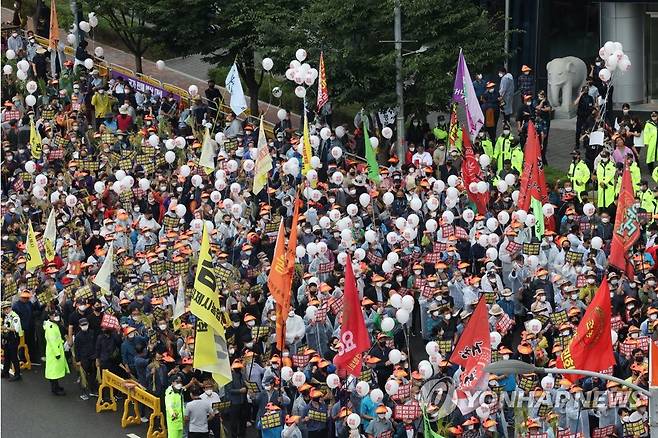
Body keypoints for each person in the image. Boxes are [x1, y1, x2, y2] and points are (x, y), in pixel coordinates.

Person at [44, 310, 69, 395]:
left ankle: (56, 386)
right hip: (54, 352)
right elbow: (52, 341)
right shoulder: (51, 327)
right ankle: (55, 389)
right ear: (50, 316)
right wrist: (57, 353)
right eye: (54, 315)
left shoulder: (54, 324)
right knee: (53, 371)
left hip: (56, 350)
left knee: (55, 371)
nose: (56, 316)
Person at [2, 300, 22, 381]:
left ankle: (17, 375)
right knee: (6, 356)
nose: (4, 310)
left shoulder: (15, 317)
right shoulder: (7, 316)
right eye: (3, 309)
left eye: (6, 308)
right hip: (7, 338)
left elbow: (16, 329)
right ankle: (5, 372)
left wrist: (6, 328)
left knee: (13, 357)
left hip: (14, 338)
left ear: (9, 308)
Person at [574, 85, 594, 149]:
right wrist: (580, 95)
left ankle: (586, 143)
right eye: (584, 89)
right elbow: (575, 103)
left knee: (587, 130)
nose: (586, 91)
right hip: (580, 116)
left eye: (587, 89)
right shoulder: (580, 97)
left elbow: (592, 106)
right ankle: (577, 144)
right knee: (578, 131)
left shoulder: (590, 97)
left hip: (588, 117)